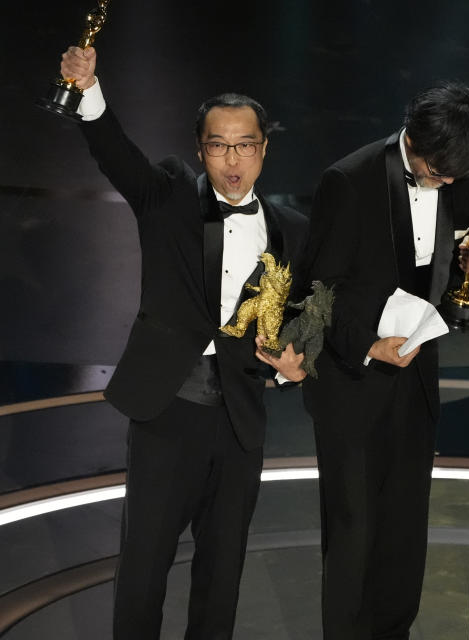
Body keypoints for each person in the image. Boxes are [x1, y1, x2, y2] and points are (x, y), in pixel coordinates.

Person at [58, 46, 308, 638]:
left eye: (245, 144)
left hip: (240, 421)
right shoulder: (168, 194)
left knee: (223, 574)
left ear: (263, 149)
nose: (232, 158)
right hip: (167, 410)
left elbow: (296, 321)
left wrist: (291, 366)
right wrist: (89, 92)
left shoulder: (292, 231)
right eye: (219, 145)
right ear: (201, 150)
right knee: (144, 569)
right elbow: (116, 156)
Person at [295, 82, 469, 639]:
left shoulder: (462, 170)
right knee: (354, 530)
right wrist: (366, 345)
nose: (450, 182)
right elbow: (315, 292)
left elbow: (456, 256)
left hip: (416, 378)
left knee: (405, 530)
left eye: (458, 174)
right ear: (415, 141)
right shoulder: (349, 181)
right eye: (439, 171)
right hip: (351, 381)